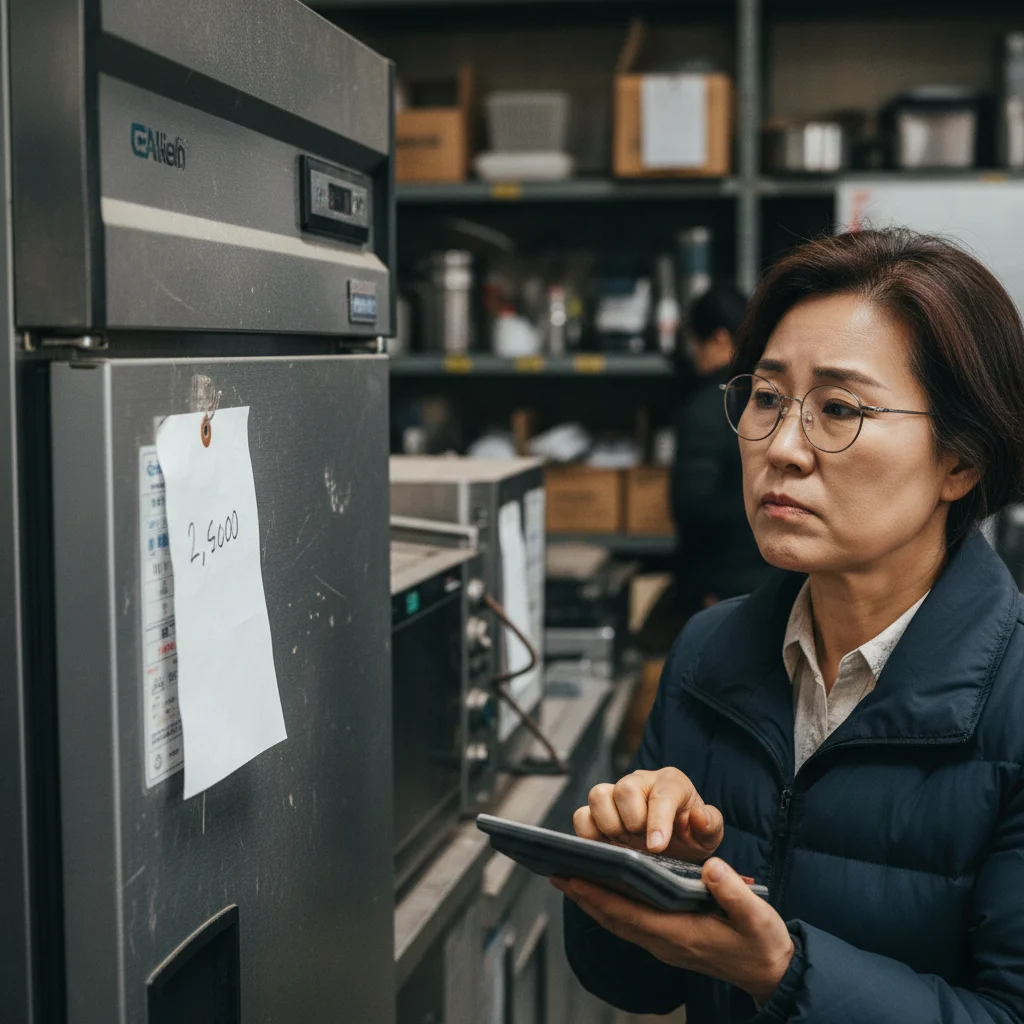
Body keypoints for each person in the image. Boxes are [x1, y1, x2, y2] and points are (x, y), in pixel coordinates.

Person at [558, 228, 1024, 1023]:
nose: (781, 448)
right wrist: (632, 871)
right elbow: (638, 986)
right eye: (768, 399)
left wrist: (784, 972)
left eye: (838, 409)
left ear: (961, 462)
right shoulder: (710, 657)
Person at [672, 285, 771, 616]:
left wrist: (702, 587)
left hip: (722, 584)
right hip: (778, 577)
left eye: (695, 345)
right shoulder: (772, 400)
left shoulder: (705, 409)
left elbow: (692, 507)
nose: (694, 356)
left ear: (718, 339)